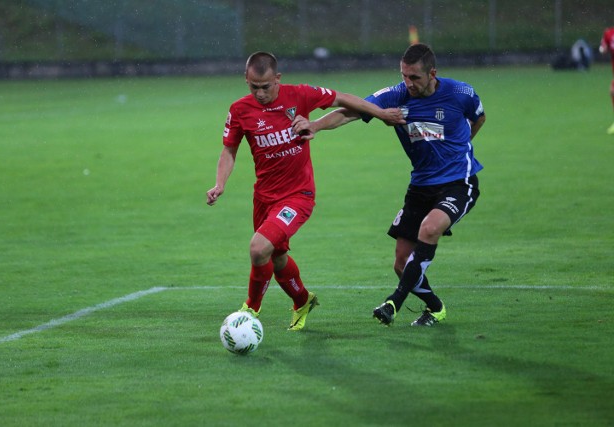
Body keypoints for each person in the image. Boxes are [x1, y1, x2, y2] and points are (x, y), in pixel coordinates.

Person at [206, 51, 403, 330]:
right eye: (254, 87)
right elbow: (229, 150)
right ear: (246, 81)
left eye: (266, 86)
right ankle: (302, 300)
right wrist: (220, 184)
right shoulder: (239, 110)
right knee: (276, 257)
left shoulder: (300, 95)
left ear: (278, 78)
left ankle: (250, 310)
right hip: (264, 197)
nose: (260, 93)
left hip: (298, 196)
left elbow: (343, 98)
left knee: (258, 248)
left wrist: (381, 113)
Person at [292, 43, 486, 327]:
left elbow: (478, 116)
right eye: (404, 75)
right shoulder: (395, 96)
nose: (408, 83)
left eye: (415, 77)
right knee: (401, 263)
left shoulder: (460, 93)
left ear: (432, 73)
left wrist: (463, 146)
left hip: (459, 181)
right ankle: (435, 308)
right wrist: (316, 126)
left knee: (430, 228)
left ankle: (394, 302)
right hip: (420, 185)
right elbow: (351, 111)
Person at [599, 27, 614, 135]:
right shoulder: (609, 33)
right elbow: (604, 49)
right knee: (612, 92)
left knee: (613, 91)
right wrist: (603, 48)